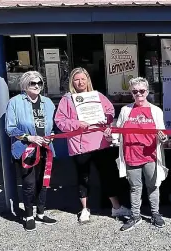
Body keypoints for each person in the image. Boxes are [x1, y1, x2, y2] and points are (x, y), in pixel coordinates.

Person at [54, 67, 130, 223]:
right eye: (77, 79)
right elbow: (60, 121)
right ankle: (84, 209)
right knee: (83, 177)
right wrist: (77, 123)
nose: (80, 82)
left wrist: (106, 118)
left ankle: (116, 207)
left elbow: (110, 112)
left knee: (108, 175)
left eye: (83, 79)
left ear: (88, 80)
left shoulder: (98, 96)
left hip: (100, 142)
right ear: (72, 82)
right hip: (79, 144)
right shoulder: (67, 99)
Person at [104, 77, 169, 232]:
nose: (139, 94)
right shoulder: (126, 110)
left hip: (150, 155)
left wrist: (163, 138)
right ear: (131, 93)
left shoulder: (156, 110)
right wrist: (109, 136)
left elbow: (162, 132)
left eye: (142, 91)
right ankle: (135, 216)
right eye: (135, 91)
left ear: (147, 91)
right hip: (131, 154)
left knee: (153, 186)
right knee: (135, 188)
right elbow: (118, 133)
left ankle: (155, 213)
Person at [5, 71, 57, 231]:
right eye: (32, 83)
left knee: (43, 182)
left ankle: (40, 213)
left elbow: (51, 126)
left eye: (39, 83)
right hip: (25, 149)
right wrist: (30, 138)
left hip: (45, 149)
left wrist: (52, 135)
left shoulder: (48, 102)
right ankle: (28, 215)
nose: (36, 86)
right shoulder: (15, 102)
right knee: (28, 184)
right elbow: (10, 129)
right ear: (25, 85)